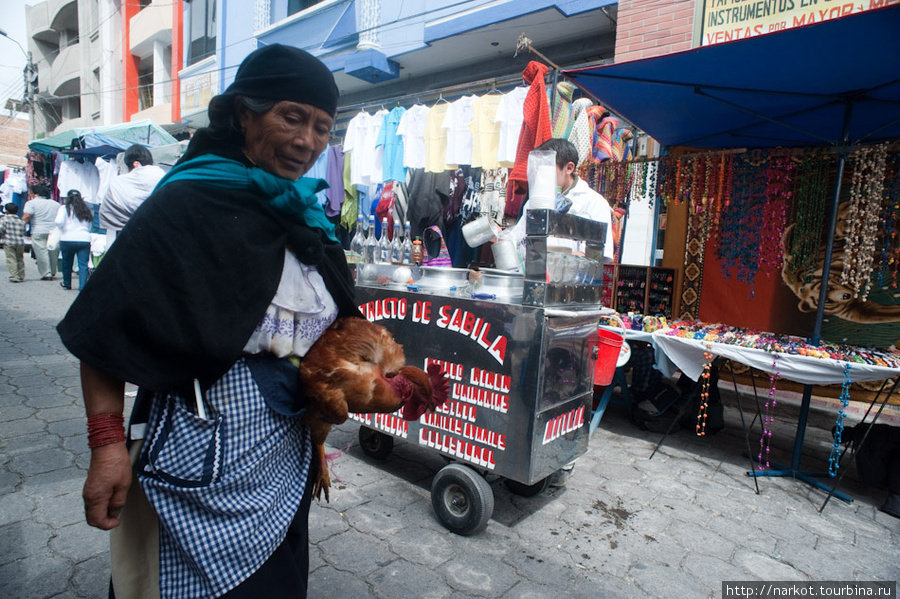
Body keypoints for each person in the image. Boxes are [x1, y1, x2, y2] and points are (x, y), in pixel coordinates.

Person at [57, 44, 358, 598]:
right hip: (200, 461)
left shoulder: (306, 215)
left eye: (322, 127)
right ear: (244, 112)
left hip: (286, 457)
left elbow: (339, 320)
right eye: (292, 117)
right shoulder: (189, 203)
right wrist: (106, 450)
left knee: (281, 581)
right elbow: (101, 332)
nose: (306, 141)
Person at [505, 138, 615, 264]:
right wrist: (502, 237)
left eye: (547, 169)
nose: (541, 176)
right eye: (539, 170)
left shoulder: (595, 203)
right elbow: (518, 239)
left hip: (571, 279)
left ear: (569, 168)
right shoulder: (534, 201)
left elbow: (601, 256)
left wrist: (578, 257)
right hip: (533, 274)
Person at [99, 144, 166, 239]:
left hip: (128, 236)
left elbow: (107, 213)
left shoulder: (117, 183)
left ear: (131, 164)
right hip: (157, 234)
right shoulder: (160, 174)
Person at [54, 190, 94, 291]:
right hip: (84, 239)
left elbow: (58, 221)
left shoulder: (64, 208)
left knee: (67, 263)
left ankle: (67, 283)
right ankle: (82, 286)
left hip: (67, 239)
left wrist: (62, 229)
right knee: (83, 264)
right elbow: (89, 225)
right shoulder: (86, 209)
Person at [22, 183, 59, 280]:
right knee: (52, 252)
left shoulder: (31, 203)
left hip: (38, 230)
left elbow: (26, 216)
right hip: (53, 231)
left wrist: (21, 227)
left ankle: (47, 273)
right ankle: (53, 271)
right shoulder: (56, 204)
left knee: (41, 252)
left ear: (35, 193)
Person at [0, 202, 27, 282]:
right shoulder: (21, 221)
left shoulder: (4, 220)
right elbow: (24, 231)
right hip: (20, 243)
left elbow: (1, 230)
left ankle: (14, 276)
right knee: (20, 259)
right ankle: (21, 275)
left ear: (7, 211)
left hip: (8, 242)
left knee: (11, 259)